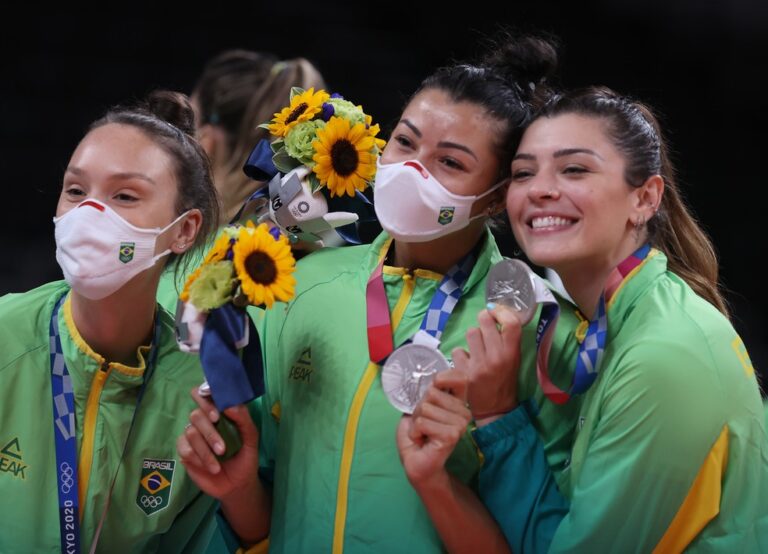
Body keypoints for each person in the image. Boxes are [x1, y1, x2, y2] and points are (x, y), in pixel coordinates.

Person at [176, 36, 584, 553]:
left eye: (450, 163)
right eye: (405, 143)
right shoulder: (301, 286)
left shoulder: (539, 327)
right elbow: (260, 511)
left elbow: (546, 535)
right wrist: (238, 490)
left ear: (499, 196)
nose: (412, 169)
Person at [455, 86, 768, 551]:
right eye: (523, 173)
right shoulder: (609, 321)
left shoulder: (665, 353)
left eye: (575, 169)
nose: (539, 189)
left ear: (645, 198)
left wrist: (498, 418)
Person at [0, 91, 221, 552]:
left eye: (124, 195)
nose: (88, 214)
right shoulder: (6, 337)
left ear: (184, 230)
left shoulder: (203, 393)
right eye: (76, 191)